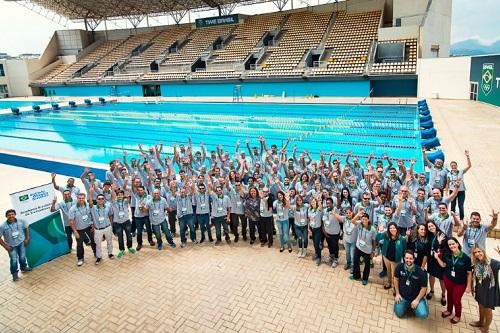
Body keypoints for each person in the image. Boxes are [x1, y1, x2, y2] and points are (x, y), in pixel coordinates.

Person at [433, 237, 472, 324]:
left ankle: (458, 315)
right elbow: (443, 265)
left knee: (456, 299)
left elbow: (469, 273)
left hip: (460, 283)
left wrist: (469, 286)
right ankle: (449, 310)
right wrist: (437, 258)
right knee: (449, 296)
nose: (451, 246)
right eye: (449, 245)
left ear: (457, 244)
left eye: (453, 243)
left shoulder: (466, 258)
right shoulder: (448, 255)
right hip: (448, 279)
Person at [470, 245, 500, 333]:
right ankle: (480, 322)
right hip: (480, 288)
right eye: (475, 252)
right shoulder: (476, 263)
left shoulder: (493, 263)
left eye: (479, 251)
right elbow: (473, 276)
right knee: (480, 305)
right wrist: (472, 287)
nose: (477, 254)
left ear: (483, 251)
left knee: (488, 309)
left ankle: (486, 328)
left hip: (490, 290)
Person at [393, 250, 429, 319]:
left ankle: (418, 304)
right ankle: (408, 305)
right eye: (406, 258)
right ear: (404, 258)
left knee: (423, 314)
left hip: (416, 297)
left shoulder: (421, 272)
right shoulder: (399, 267)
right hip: (403, 297)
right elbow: (396, 279)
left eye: (410, 258)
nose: (408, 260)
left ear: (414, 259)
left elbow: (424, 288)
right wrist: (397, 293)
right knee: (399, 313)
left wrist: (417, 300)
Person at [0, 209, 31, 281]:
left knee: (22, 257)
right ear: (6, 216)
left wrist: (27, 239)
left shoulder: (21, 221)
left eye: (12, 214)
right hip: (11, 246)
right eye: (9, 215)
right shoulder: (2, 226)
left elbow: (26, 227)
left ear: (15, 214)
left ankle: (24, 268)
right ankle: (14, 275)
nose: (11, 216)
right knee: (14, 260)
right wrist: (5, 246)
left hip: (21, 243)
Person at [376, 222, 407, 292]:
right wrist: (380, 231)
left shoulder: (402, 239)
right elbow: (377, 238)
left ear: (396, 229)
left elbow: (405, 250)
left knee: (394, 275)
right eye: (390, 228)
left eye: (394, 228)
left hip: (395, 261)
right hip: (386, 258)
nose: (392, 229)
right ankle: (389, 283)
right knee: (388, 272)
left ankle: (395, 288)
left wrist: (404, 261)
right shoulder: (386, 235)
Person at [68, 193, 96, 267]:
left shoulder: (88, 206)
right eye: (79, 198)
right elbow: (71, 221)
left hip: (89, 226)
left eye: (82, 198)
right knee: (80, 245)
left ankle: (96, 253)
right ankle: (80, 258)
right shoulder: (72, 209)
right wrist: (75, 231)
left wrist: (93, 224)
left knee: (93, 240)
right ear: (77, 199)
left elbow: (92, 214)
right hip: (79, 229)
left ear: (84, 198)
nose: (81, 199)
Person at [350, 213, 377, 286]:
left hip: (367, 250)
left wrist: (373, 251)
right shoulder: (359, 224)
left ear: (368, 220)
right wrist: (358, 215)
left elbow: (374, 241)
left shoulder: (373, 229)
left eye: (366, 219)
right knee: (355, 261)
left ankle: (365, 279)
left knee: (367, 265)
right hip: (358, 247)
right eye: (363, 219)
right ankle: (356, 276)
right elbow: (352, 221)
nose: (364, 221)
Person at [88, 192, 114, 265]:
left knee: (109, 241)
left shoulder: (107, 206)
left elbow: (112, 199)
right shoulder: (93, 208)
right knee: (98, 244)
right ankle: (99, 257)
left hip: (107, 227)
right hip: (98, 230)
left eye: (102, 199)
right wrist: (90, 193)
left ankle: (110, 253)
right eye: (99, 199)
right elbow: (90, 202)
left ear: (104, 200)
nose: (101, 200)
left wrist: (113, 190)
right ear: (96, 200)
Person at [425, 221, 447, 305]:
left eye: (432, 226)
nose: (431, 228)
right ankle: (432, 290)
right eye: (429, 227)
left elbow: (446, 248)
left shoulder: (441, 235)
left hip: (440, 259)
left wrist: (440, 243)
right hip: (431, 259)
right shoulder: (430, 235)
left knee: (441, 278)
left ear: (435, 225)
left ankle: (443, 295)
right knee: (431, 275)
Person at [110, 189, 136, 258]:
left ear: (123, 196)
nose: (120, 196)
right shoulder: (114, 202)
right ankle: (121, 249)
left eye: (121, 195)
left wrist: (127, 195)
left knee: (129, 236)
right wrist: (112, 189)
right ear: (117, 196)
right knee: (120, 238)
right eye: (118, 195)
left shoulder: (125, 202)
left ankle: (129, 247)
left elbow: (128, 199)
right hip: (117, 223)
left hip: (126, 222)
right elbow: (112, 197)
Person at [446, 150, 471, 221]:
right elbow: (447, 183)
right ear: (451, 167)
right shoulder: (448, 174)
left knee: (461, 205)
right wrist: (446, 192)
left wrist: (468, 157)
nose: (453, 167)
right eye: (452, 166)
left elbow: (469, 166)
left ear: (457, 166)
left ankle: (461, 219)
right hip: (452, 191)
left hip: (461, 191)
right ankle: (452, 218)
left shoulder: (461, 172)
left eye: (454, 165)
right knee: (453, 205)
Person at [308, 197, 323, 265]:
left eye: (314, 201)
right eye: (312, 202)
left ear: (316, 202)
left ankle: (319, 257)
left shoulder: (318, 209)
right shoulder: (309, 209)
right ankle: (316, 253)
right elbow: (309, 219)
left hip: (317, 229)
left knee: (317, 243)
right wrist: (309, 228)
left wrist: (319, 199)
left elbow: (320, 206)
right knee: (314, 243)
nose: (313, 203)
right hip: (312, 228)